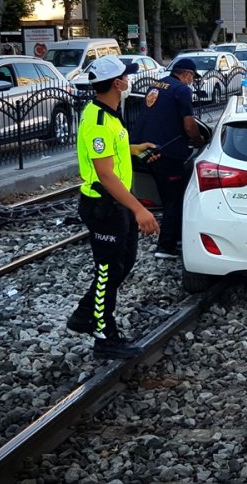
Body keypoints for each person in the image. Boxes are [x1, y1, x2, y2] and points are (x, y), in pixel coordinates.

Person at [68, 55, 160, 360]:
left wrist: (134, 149)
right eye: (126, 76)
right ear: (117, 83)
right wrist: (139, 209)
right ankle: (104, 336)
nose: (129, 79)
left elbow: (112, 153)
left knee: (123, 264)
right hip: (104, 207)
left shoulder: (109, 114)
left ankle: (84, 314)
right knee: (107, 272)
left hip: (117, 204)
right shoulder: (97, 120)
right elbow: (105, 174)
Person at [135, 57, 206, 260]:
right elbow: (189, 124)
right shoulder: (182, 90)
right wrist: (198, 140)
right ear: (186, 74)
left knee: (167, 197)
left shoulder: (156, 85)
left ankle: (175, 238)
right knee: (174, 200)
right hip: (167, 152)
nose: (191, 82)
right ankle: (166, 246)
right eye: (192, 78)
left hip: (145, 149)